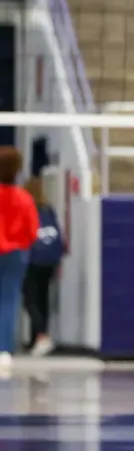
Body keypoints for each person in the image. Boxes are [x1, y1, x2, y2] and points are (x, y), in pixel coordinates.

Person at [0, 147, 37, 369]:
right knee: (9, 300)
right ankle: (3, 349)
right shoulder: (24, 198)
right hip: (15, 253)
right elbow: (33, 231)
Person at [22, 176, 63, 357]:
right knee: (42, 300)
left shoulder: (26, 208)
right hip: (50, 261)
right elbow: (58, 235)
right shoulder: (49, 209)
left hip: (32, 259)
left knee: (30, 300)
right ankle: (36, 340)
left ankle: (42, 337)